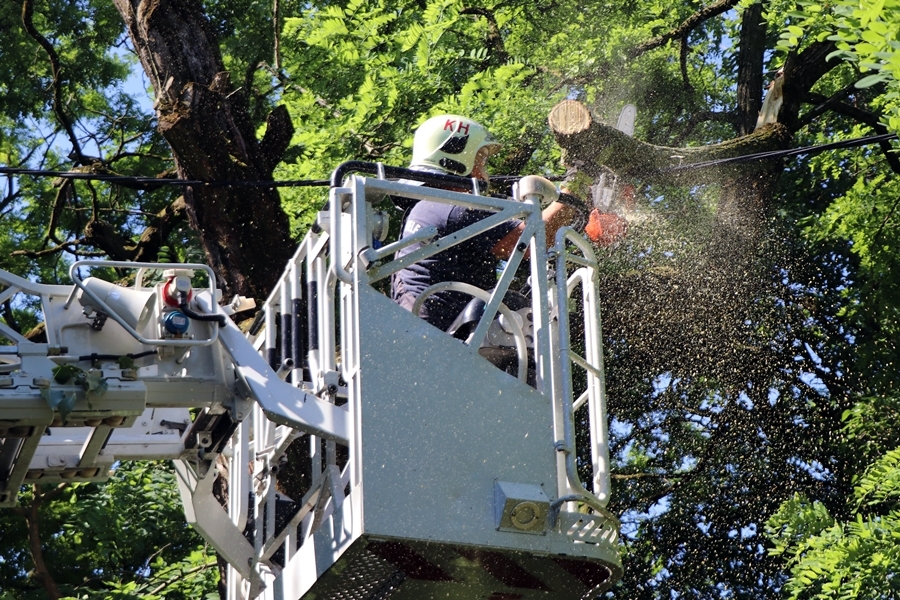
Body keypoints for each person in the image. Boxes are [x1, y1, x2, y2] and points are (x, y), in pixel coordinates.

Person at [390, 114, 579, 332]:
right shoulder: (453, 208)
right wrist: (577, 185)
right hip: (444, 338)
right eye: (481, 161)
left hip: (433, 332)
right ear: (456, 160)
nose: (486, 172)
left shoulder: (428, 206)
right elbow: (531, 240)